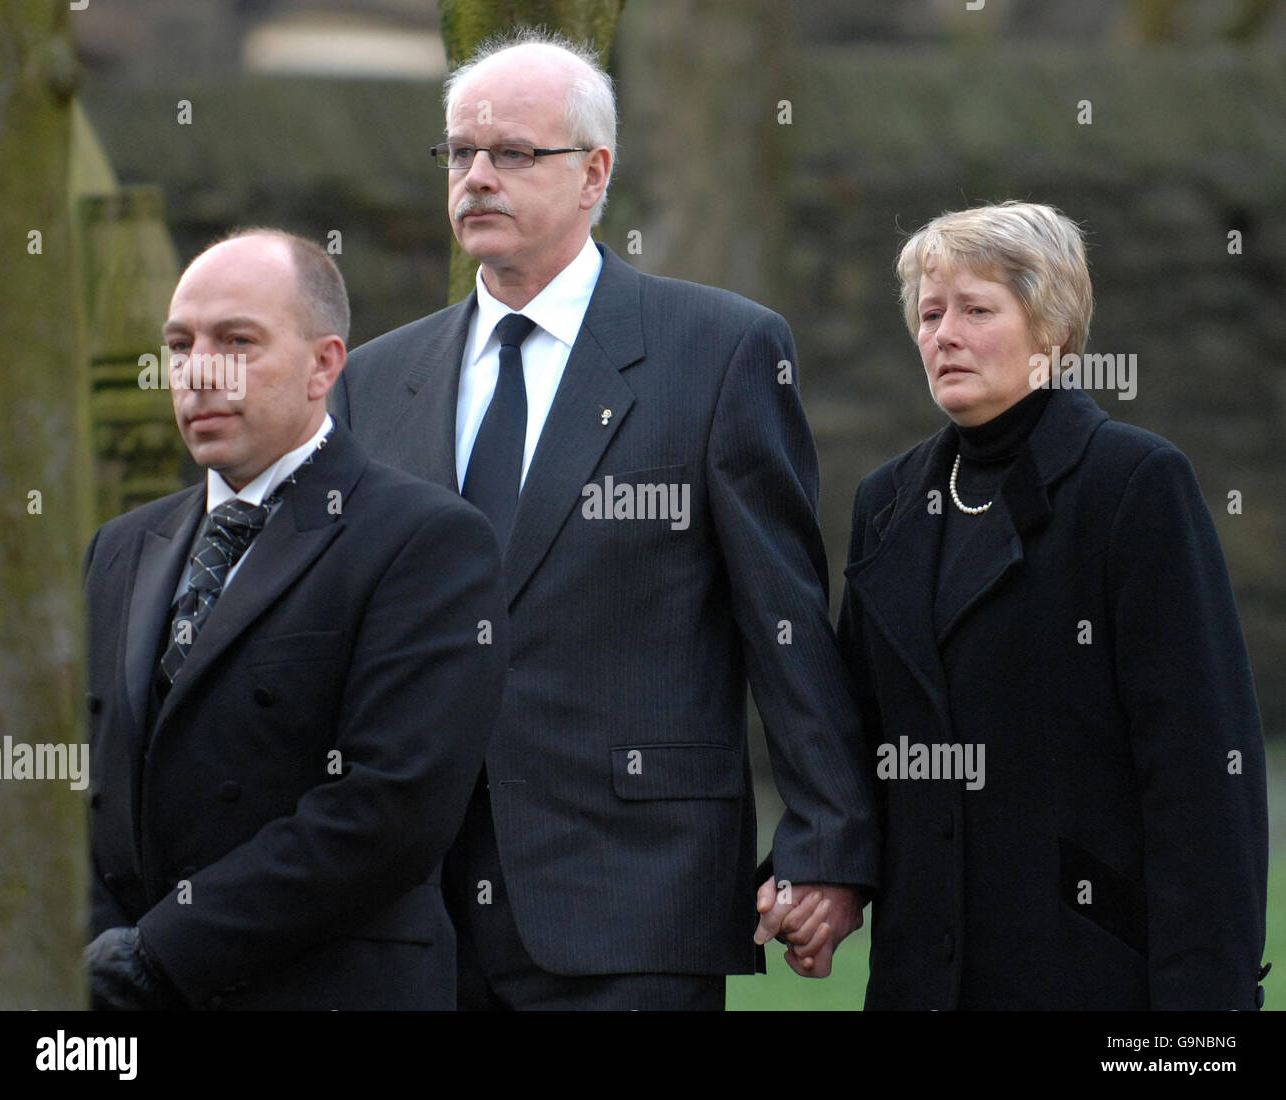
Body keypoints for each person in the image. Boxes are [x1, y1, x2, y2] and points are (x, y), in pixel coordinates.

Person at [333, 30, 879, 1010]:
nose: (477, 177)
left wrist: (827, 843)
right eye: (459, 153)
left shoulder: (716, 351)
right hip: (408, 916)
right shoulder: (376, 381)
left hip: (635, 896)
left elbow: (783, 618)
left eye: (512, 154)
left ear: (594, 174)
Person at [822, 200, 1268, 1009]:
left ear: (1053, 331)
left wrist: (1206, 1014)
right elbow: (856, 733)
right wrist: (816, 869)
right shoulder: (886, 501)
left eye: (976, 310)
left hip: (1088, 975)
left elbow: (1202, 770)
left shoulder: (1132, 484)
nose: (943, 334)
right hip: (920, 981)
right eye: (929, 313)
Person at [83, 229, 509, 1010]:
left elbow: (388, 813)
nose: (199, 372)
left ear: (325, 364)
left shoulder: (425, 540)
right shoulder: (120, 548)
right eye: (180, 346)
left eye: (237, 343)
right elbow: (88, 788)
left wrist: (157, 956)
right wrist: (93, 959)